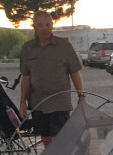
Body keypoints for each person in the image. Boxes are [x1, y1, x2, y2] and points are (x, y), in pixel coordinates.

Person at [18, 11, 85, 147]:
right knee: (46, 139)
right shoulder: (27, 48)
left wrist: (81, 95)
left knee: (61, 139)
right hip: (38, 103)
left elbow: (74, 73)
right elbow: (26, 77)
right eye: (40, 25)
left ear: (52, 25)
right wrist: (22, 102)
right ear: (34, 27)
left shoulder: (64, 46)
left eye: (48, 24)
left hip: (59, 102)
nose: (45, 28)